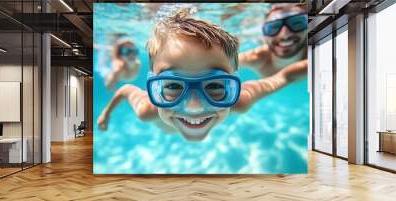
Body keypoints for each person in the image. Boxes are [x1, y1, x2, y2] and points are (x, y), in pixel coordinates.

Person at [97, 12, 306, 141]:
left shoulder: (240, 102)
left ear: (234, 85)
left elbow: (284, 77)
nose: (194, 107)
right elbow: (125, 89)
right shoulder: (147, 111)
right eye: (173, 86)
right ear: (153, 85)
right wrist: (105, 113)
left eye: (215, 85)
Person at [239, 3, 308, 79]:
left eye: (296, 23)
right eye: (274, 27)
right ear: (264, 35)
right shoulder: (255, 57)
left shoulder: (318, 49)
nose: (285, 35)